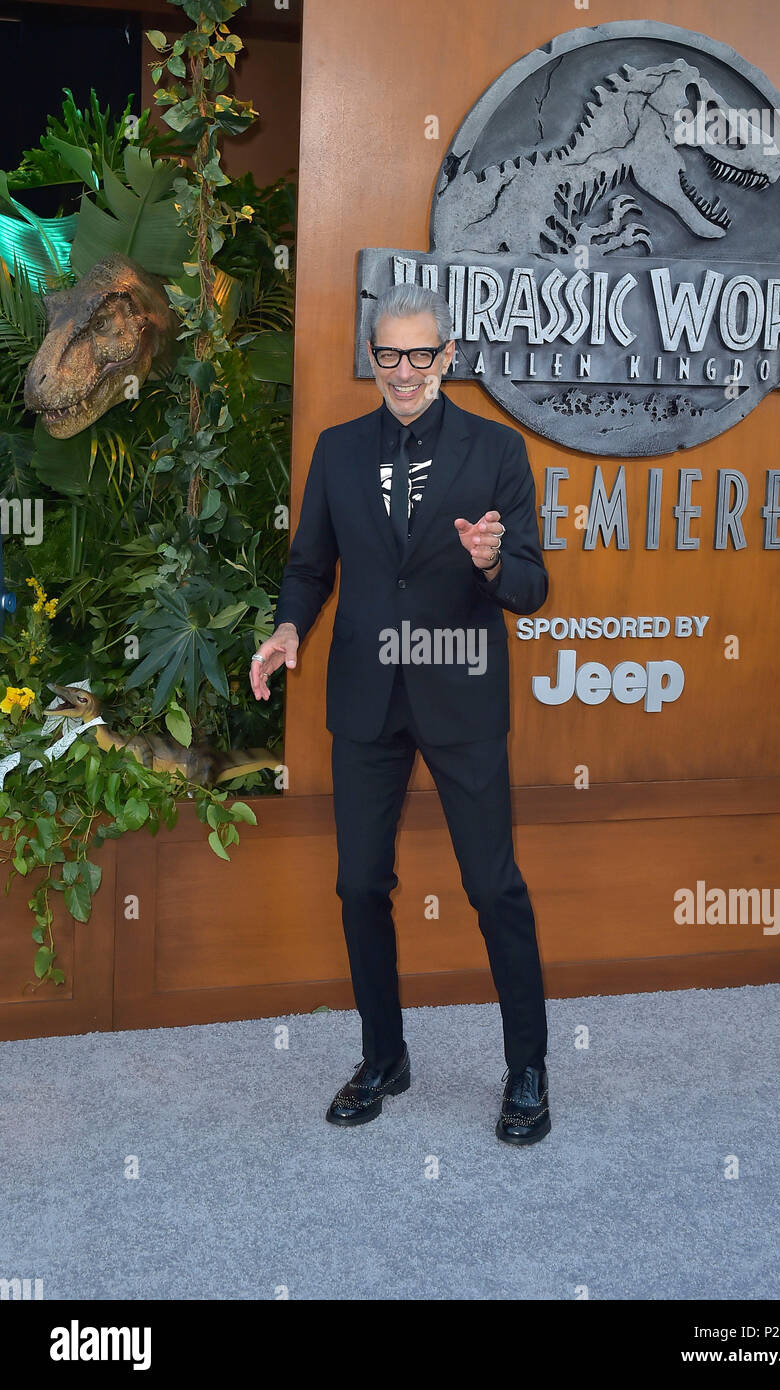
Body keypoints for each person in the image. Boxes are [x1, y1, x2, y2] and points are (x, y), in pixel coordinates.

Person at [249, 283, 550, 1144]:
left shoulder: (497, 450)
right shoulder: (338, 451)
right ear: (371, 358)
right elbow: (311, 567)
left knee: (493, 887)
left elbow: (532, 587)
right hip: (367, 696)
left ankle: (526, 1068)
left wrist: (494, 564)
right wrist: (286, 628)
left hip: (460, 689)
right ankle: (385, 1057)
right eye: (390, 355)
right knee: (358, 885)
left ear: (447, 357)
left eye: (423, 354)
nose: (406, 370)